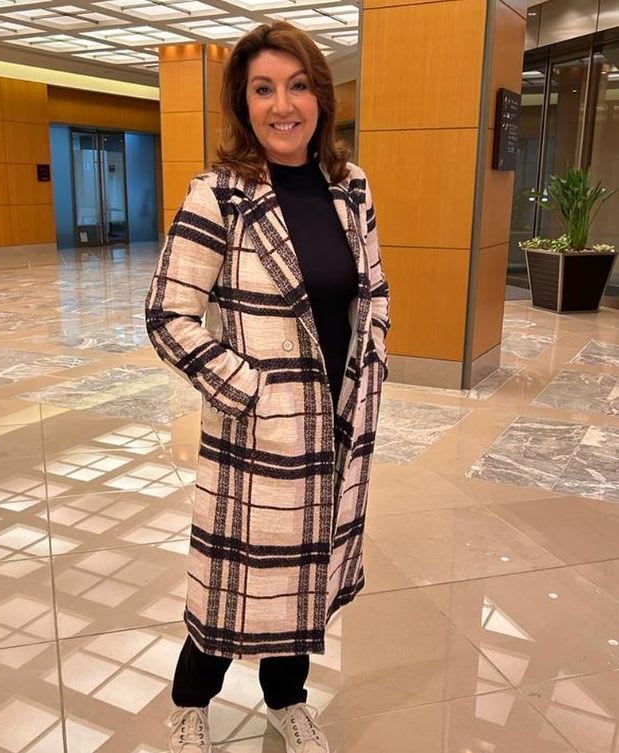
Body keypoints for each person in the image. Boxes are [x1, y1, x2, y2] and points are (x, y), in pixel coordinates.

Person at [145, 20, 390, 753]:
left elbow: (371, 290)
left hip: (336, 425)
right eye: (262, 89)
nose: (283, 105)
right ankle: (191, 702)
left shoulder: (349, 188)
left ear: (320, 96)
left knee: (304, 576)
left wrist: (367, 365)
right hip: (257, 430)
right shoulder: (218, 194)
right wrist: (246, 389)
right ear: (242, 104)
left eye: (297, 85)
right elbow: (167, 313)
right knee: (232, 585)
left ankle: (289, 698)